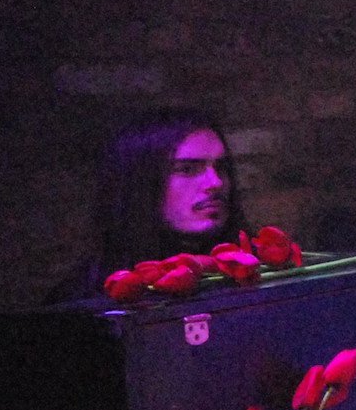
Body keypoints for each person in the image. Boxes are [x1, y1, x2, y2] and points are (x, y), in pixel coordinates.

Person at [84, 109, 241, 292]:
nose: (216, 182)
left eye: (221, 167)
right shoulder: (87, 295)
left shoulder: (255, 272)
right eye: (187, 169)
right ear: (141, 182)